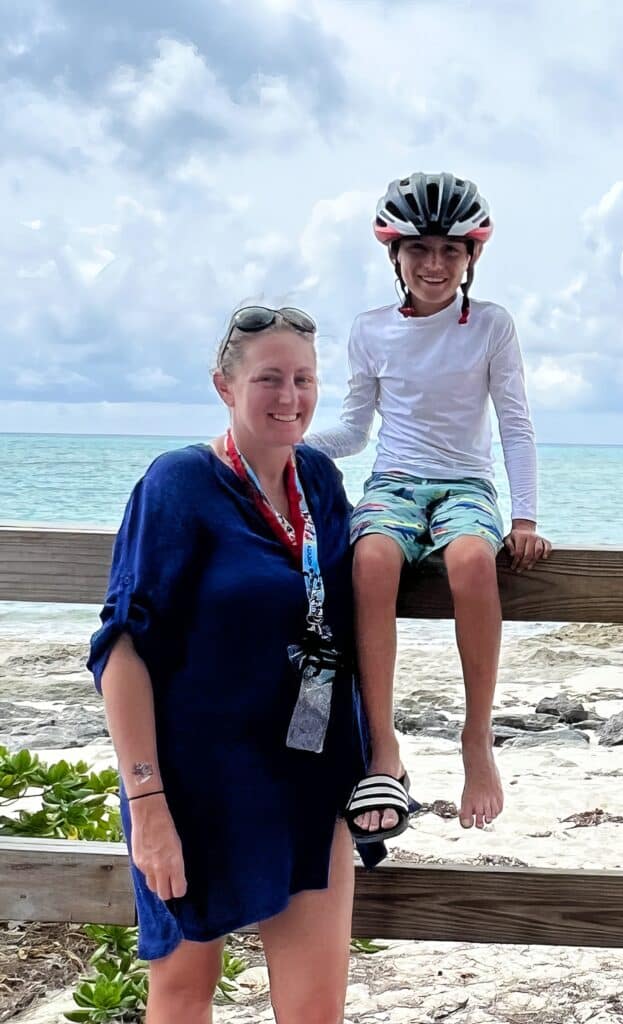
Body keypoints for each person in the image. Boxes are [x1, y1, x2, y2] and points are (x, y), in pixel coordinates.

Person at [88, 306, 383, 1024]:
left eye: (304, 379)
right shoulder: (179, 481)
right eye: (268, 379)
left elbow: (350, 604)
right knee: (184, 995)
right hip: (192, 784)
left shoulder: (317, 477)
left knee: (315, 1011)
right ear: (224, 385)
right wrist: (148, 806)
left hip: (308, 771)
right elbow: (122, 649)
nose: (289, 397)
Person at [307, 172, 552, 841]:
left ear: (472, 255)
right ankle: (382, 747)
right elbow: (356, 431)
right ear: (395, 255)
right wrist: (286, 443)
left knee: (473, 562)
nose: (434, 264)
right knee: (370, 563)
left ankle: (477, 741)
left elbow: (515, 425)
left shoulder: (491, 326)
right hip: (392, 483)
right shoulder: (370, 331)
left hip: (464, 486)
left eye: (450, 250)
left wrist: (524, 517)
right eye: (419, 250)